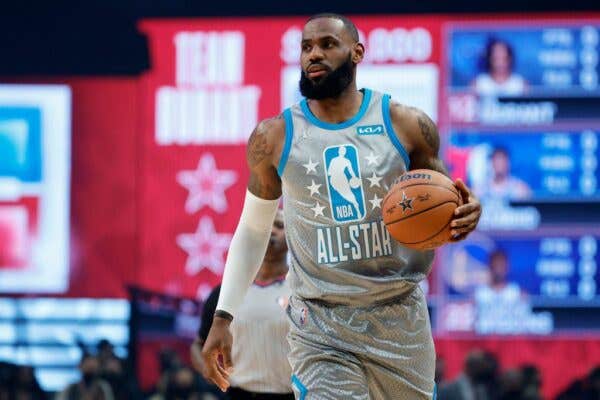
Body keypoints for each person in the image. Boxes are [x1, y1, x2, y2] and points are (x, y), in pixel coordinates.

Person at [201, 13, 481, 399]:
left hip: (399, 314)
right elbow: (252, 230)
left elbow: (450, 202)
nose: (314, 54)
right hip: (320, 321)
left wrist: (466, 214)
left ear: (357, 52)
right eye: (306, 47)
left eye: (328, 44)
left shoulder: (406, 124)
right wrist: (223, 316)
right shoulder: (275, 137)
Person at [191, 210, 293, 400]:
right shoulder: (225, 293)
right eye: (265, 226)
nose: (270, 230)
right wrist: (208, 368)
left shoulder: (303, 290)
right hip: (238, 394)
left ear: (293, 235)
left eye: (279, 225)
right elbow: (198, 345)